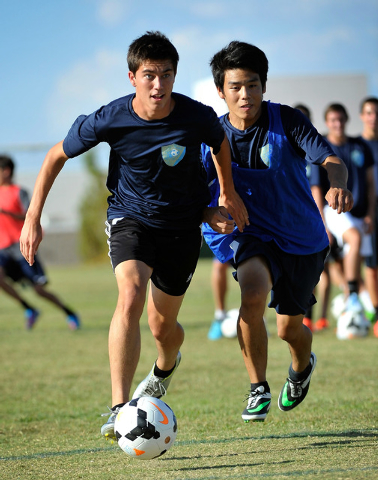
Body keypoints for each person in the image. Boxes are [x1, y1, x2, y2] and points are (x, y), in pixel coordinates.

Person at [19, 31, 247, 440]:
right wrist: (33, 215)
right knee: (130, 292)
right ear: (132, 77)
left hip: (181, 227)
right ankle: (119, 408)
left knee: (164, 328)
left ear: (175, 76)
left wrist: (224, 194)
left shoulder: (196, 116)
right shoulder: (111, 117)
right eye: (149, 76)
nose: (158, 85)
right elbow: (55, 156)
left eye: (166, 75)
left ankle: (165, 365)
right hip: (130, 218)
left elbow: (220, 144)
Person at [201, 41, 353, 422]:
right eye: (235, 86)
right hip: (250, 233)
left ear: (264, 86)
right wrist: (208, 213)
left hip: (301, 238)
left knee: (289, 330)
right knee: (251, 293)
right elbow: (190, 194)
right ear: (221, 91)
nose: (245, 94)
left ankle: (302, 367)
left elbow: (331, 160)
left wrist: (337, 182)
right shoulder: (209, 137)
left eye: (252, 85)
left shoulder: (288, 122)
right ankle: (257, 388)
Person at [310, 103, 375, 319]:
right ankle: (352, 297)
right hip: (334, 211)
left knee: (360, 262)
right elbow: (317, 190)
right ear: (327, 123)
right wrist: (323, 225)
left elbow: (371, 184)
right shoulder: (322, 149)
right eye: (333, 120)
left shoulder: (360, 146)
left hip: (360, 214)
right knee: (352, 242)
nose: (337, 124)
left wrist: (370, 214)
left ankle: (360, 307)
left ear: (347, 120)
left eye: (341, 119)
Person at [0, 155, 80, 330]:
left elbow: (30, 214)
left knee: (39, 290)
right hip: (3, 249)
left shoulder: (19, 192)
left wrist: (6, 212)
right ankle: (28, 309)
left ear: (6, 171)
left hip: (21, 247)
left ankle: (69, 313)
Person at [359, 97, 378, 337]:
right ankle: (375, 313)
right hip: (367, 212)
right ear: (362, 116)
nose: (373, 117)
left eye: (376, 112)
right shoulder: (358, 146)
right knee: (371, 266)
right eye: (369, 113)